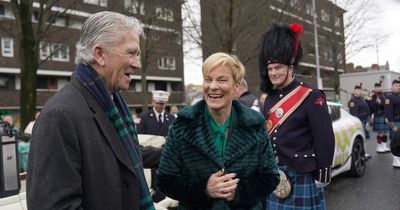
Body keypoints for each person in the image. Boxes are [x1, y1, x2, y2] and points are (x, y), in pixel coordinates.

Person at [27, 11, 155, 210]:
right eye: (131, 53)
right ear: (100, 54)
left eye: (138, 54)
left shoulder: (110, 105)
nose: (137, 64)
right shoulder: (59, 116)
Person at [157, 52, 280, 209]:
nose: (213, 86)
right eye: (208, 80)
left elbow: (270, 177)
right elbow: (165, 179)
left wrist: (238, 192)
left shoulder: (255, 125)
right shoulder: (183, 125)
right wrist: (204, 189)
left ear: (236, 87)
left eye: (222, 80)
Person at [259, 23, 335, 209]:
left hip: (302, 172)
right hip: (276, 175)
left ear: (290, 67)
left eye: (278, 67)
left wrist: (323, 172)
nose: (273, 73)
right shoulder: (269, 99)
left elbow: (324, 137)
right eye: (270, 69)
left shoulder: (311, 95)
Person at [370, 82, 390, 153]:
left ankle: (384, 146)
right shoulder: (373, 96)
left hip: (385, 115)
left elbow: (386, 104)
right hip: (378, 115)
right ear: (375, 88)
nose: (378, 88)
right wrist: (376, 102)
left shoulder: (384, 95)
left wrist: (380, 103)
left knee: (385, 132)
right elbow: (371, 106)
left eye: (379, 87)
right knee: (380, 132)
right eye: (377, 87)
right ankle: (379, 147)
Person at [384, 79, 400, 168]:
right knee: (396, 142)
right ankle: (396, 161)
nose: (399, 87)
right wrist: (392, 125)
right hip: (395, 122)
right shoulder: (389, 98)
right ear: (392, 87)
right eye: (397, 85)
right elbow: (388, 113)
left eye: (399, 85)